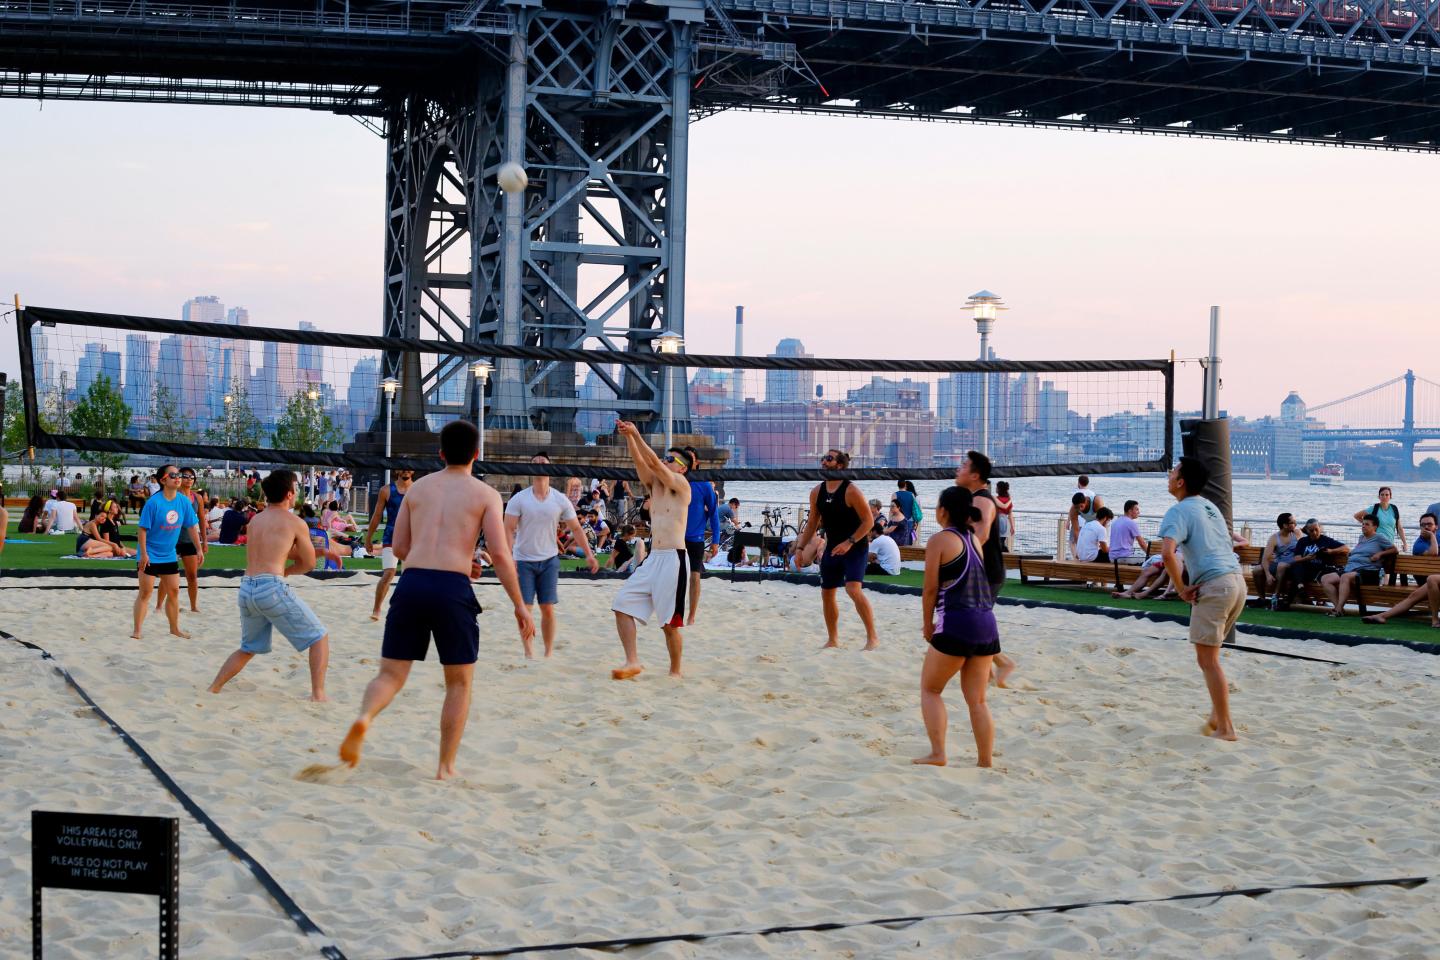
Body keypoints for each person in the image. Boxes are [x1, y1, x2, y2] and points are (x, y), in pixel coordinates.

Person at [339, 421, 534, 780]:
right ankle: (445, 767)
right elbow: (501, 554)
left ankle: (365, 717)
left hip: (412, 582)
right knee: (458, 683)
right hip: (452, 589)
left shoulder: (418, 490)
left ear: (440, 453)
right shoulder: (485, 494)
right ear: (477, 454)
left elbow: (398, 548)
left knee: (390, 674)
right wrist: (519, 604)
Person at [207, 470, 330, 702]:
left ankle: (214, 688)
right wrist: (288, 571)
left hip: (246, 588)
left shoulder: (256, 520)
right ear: (289, 494)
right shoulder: (295, 522)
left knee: (248, 647)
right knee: (319, 637)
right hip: (271, 587)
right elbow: (309, 563)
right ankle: (318, 695)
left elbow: (274, 549)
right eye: (295, 489)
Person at [1158, 456, 1245, 742]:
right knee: (1211, 658)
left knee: (1208, 661)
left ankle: (1226, 728)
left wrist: (1181, 588)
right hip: (1237, 583)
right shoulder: (1210, 507)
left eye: (1173, 471)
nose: (1170, 474)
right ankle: (1217, 716)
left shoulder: (1178, 511)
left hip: (1216, 585)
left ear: (1181, 482)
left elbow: (1168, 554)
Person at [913, 485, 998, 768]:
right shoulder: (974, 539)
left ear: (943, 511)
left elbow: (929, 590)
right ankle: (985, 761)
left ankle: (938, 753)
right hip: (987, 624)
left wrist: (927, 625)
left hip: (956, 623)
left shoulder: (940, 540)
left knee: (931, 689)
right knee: (978, 701)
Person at [610, 420, 692, 679]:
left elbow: (655, 463)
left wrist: (637, 432)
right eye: (666, 457)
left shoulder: (681, 484)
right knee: (622, 605)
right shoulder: (655, 486)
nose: (665, 461)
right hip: (654, 558)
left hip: (674, 560)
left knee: (669, 625)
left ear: (682, 468)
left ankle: (675, 672)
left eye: (671, 459)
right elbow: (641, 463)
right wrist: (629, 438)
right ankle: (632, 661)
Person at [504, 453, 599, 659]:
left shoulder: (559, 499)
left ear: (550, 468)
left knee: (547, 608)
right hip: (524, 560)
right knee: (524, 608)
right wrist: (508, 557)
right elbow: (508, 530)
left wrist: (590, 555)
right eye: (535, 462)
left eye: (543, 462)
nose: (539, 464)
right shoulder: (519, 499)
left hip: (549, 560)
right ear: (530, 469)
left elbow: (576, 528)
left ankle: (547, 653)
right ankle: (529, 652)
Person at [793, 448, 879, 651]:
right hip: (832, 546)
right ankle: (833, 639)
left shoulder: (851, 491)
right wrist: (799, 548)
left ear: (839, 465)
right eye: (823, 458)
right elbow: (812, 523)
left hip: (855, 546)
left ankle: (872, 638)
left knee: (853, 590)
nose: (823, 461)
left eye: (829, 459)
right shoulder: (817, 491)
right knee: (827, 593)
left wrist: (849, 542)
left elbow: (868, 522)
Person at [955, 451, 1018, 687]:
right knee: (972, 622)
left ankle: (1002, 663)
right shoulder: (972, 497)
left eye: (963, 466)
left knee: (973, 622)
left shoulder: (982, 499)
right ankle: (992, 670)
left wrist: (957, 561)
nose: (958, 469)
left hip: (986, 572)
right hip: (981, 571)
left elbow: (979, 537)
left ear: (975, 475)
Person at [132, 465, 204, 640]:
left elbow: (192, 527)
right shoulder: (153, 502)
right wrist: (144, 555)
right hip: (150, 552)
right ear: (163, 480)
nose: (178, 478)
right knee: (145, 593)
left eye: (179, 475)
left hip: (169, 554)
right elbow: (141, 530)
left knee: (174, 592)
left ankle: (174, 629)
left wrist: (199, 548)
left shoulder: (183, 501)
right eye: (173, 475)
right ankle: (137, 631)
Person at [1319, 514, 1397, 617]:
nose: (1363, 526)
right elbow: (1362, 551)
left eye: (1367, 524)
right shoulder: (1362, 538)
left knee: (1345, 577)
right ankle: (1339, 608)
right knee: (1325, 578)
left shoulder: (1379, 538)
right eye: (1363, 524)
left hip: (1368, 572)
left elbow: (1394, 549)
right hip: (1351, 569)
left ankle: (1337, 610)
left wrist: (1380, 554)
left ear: (1375, 527)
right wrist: (1352, 553)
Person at [365, 468, 414, 621]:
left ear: (412, 471)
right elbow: (377, 515)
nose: (406, 471)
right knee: (389, 573)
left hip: (412, 536)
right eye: (402, 467)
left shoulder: (418, 488)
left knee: (410, 576)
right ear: (396, 470)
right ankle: (377, 609)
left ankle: (406, 610)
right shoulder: (386, 490)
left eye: (409, 468)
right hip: (391, 535)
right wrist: (369, 538)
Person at [682, 448, 721, 625]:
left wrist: (715, 541)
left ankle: (691, 615)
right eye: (685, 459)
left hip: (695, 538)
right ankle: (673, 610)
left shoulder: (704, 484)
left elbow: (713, 513)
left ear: (697, 462)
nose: (688, 461)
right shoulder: (675, 480)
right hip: (675, 536)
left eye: (691, 458)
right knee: (673, 575)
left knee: (694, 576)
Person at [1274, 519, 1348, 609]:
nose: (1314, 532)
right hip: (1305, 569)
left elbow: (1345, 547)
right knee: (1297, 566)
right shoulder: (1303, 541)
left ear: (1319, 528)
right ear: (1307, 531)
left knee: (1296, 577)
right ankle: (1299, 589)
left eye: (1316, 529)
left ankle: (1291, 598)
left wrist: (1331, 551)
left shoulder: (1326, 540)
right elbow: (1296, 558)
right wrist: (1307, 558)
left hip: (1320, 570)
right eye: (1311, 530)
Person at [163, 467, 207, 613]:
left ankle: (194, 606)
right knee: (168, 574)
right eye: (186, 476)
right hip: (173, 540)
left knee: (192, 575)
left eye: (192, 477)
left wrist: (204, 542)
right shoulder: (173, 495)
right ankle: (159, 605)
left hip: (190, 540)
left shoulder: (198, 498)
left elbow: (201, 520)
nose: (189, 479)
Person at [1250, 513, 1300, 607]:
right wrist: (1268, 575)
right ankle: (1262, 599)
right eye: (1293, 522)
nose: (1296, 524)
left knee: (1282, 565)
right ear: (1285, 525)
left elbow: (1309, 535)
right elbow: (1265, 559)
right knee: (1257, 570)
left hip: (1293, 566)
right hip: (1279, 566)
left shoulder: (1297, 533)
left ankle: (1275, 596)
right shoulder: (1274, 538)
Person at [1355, 486, 1405, 552]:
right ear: (1379, 497)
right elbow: (1357, 516)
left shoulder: (1394, 509)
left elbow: (1399, 528)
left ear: (1390, 496)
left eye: (1387, 495)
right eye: (1382, 495)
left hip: (1389, 543)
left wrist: (1405, 543)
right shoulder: (1374, 508)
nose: (1384, 497)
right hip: (1375, 543)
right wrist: (1369, 525)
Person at [1066, 492, 1099, 560]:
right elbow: (1076, 531)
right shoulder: (1073, 510)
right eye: (1077, 507)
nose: (1079, 509)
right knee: (1086, 542)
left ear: (1086, 501)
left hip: (1104, 521)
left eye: (1081, 506)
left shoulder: (1096, 502)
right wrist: (1079, 551)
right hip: (1089, 522)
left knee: (1100, 542)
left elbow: (1102, 520)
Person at [994, 481, 1015, 552]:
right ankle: (1006, 555)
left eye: (996, 487)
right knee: (1002, 541)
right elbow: (1010, 515)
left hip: (997, 520)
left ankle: (1003, 556)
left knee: (997, 542)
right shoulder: (1008, 500)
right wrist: (1012, 527)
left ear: (999, 489)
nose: (995, 489)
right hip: (1005, 522)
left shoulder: (995, 498)